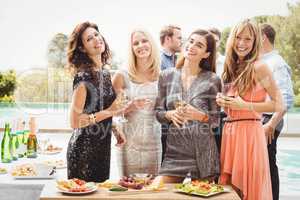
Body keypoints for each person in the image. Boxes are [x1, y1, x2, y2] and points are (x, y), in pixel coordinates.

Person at [216, 19, 284, 200]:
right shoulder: (231, 67)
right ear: (232, 39)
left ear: (255, 42)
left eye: (248, 39)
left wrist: (245, 106)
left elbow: (279, 104)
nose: (242, 43)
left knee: (245, 189)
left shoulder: (260, 67)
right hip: (230, 133)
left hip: (249, 135)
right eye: (238, 37)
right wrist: (222, 101)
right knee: (228, 191)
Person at [155, 29, 221, 183]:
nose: (192, 46)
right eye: (191, 41)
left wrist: (200, 115)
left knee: (201, 194)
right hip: (175, 152)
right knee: (158, 191)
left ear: (206, 54)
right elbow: (158, 113)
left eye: (199, 45)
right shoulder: (166, 76)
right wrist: (170, 114)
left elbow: (216, 121)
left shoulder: (212, 80)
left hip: (204, 151)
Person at [66, 21, 125, 182]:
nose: (96, 39)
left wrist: (114, 128)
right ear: (82, 48)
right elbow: (74, 121)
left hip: (102, 149)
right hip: (83, 151)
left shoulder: (104, 73)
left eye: (96, 35)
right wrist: (111, 112)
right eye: (89, 39)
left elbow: (99, 108)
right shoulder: (83, 77)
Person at [112, 29, 162, 176]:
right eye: (136, 43)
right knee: (128, 190)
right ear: (131, 48)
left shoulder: (162, 75)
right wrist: (130, 106)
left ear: (151, 43)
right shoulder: (122, 75)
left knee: (153, 190)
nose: (141, 45)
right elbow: (110, 113)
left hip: (153, 140)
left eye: (144, 41)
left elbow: (165, 110)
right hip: (129, 142)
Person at [260, 23, 294, 200]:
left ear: (263, 37)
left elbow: (287, 98)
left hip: (268, 120)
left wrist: (270, 124)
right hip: (264, 119)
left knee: (267, 164)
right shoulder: (264, 61)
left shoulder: (276, 63)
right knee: (261, 164)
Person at [159, 25, 182, 163]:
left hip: (177, 122)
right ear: (168, 39)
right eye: (179, 38)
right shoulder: (159, 61)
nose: (181, 41)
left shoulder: (178, 60)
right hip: (165, 123)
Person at [208, 27, 226, 154]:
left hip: (221, 115)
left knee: (220, 152)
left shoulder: (226, 62)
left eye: (216, 40)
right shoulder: (200, 62)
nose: (213, 43)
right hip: (202, 114)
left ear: (219, 42)